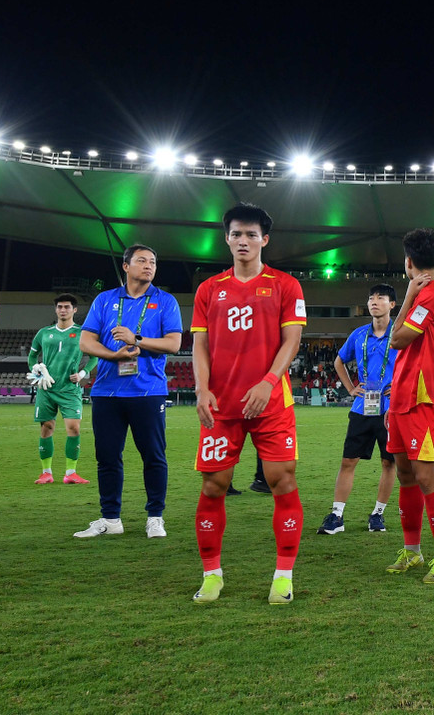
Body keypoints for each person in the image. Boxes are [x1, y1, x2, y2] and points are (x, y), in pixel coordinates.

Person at [190, 203, 307, 604]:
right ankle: (211, 575)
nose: (243, 241)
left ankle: (283, 576)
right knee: (213, 486)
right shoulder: (209, 289)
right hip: (221, 406)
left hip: (272, 403)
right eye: (236, 234)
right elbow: (200, 345)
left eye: (251, 234)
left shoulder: (285, 285)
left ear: (264, 240)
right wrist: (202, 389)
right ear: (226, 238)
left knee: (282, 482)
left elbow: (292, 340)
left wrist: (268, 381)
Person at [75, 244, 183, 540]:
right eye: (142, 261)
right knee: (107, 456)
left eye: (153, 262)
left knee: (153, 456)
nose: (149, 266)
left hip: (148, 391)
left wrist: (137, 338)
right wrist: (113, 356)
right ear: (126, 266)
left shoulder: (165, 301)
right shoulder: (105, 299)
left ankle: (155, 517)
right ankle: (111, 518)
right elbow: (86, 341)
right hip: (107, 392)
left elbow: (173, 343)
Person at [383, 229, 434, 584]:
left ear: (409, 262)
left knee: (426, 476)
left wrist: (409, 296)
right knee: (406, 475)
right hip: (401, 397)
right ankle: (413, 551)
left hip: (424, 399)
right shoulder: (426, 295)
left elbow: (395, 339)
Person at [318, 284, 399, 535]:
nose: (374, 302)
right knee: (348, 461)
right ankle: (337, 515)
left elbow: (416, 364)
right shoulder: (359, 334)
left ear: (392, 304)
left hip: (390, 410)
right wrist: (351, 388)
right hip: (362, 407)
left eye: (381, 298)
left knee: (388, 463)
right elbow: (339, 361)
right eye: (371, 297)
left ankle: (377, 515)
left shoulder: (400, 335)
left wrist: (399, 387)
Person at [29, 294, 95, 485]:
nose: (63, 310)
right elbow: (32, 358)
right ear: (55, 309)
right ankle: (46, 473)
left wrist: (83, 374)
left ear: (74, 310)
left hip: (70, 389)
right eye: (59, 307)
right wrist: (36, 370)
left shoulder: (83, 333)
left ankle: (71, 473)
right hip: (46, 389)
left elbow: (94, 357)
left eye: (67, 307)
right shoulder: (44, 333)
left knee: (73, 428)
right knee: (46, 428)